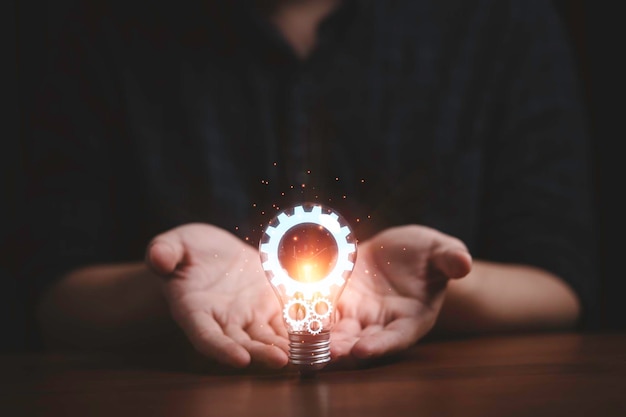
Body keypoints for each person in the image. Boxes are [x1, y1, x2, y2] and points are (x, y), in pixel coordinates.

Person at [20, 0, 596, 369]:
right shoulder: (93, 24)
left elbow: (558, 284)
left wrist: (439, 286)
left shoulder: (502, 21)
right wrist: (170, 284)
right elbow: (53, 298)